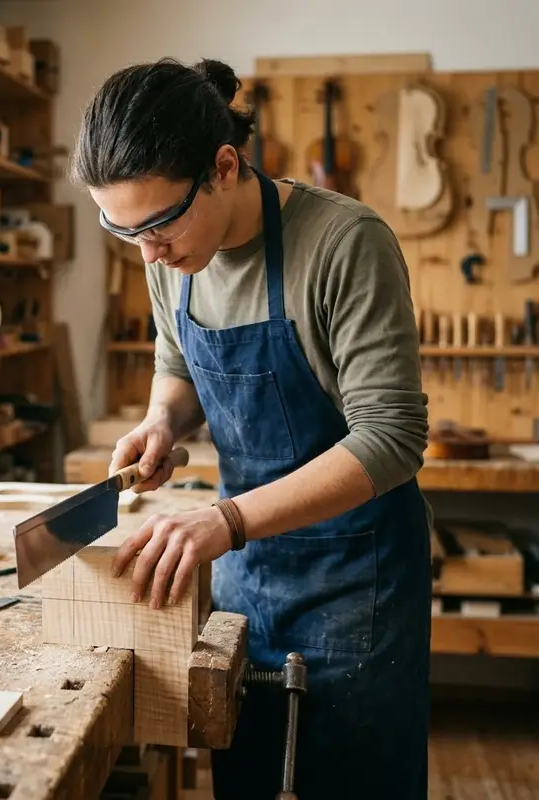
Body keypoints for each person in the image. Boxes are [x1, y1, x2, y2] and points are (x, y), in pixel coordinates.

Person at [69, 57, 433, 800]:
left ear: (224, 167)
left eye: (159, 224)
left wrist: (227, 519)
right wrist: (162, 421)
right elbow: (177, 359)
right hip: (246, 577)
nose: (147, 252)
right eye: (121, 229)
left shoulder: (342, 245)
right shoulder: (167, 252)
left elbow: (392, 437)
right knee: (248, 779)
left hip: (355, 583)